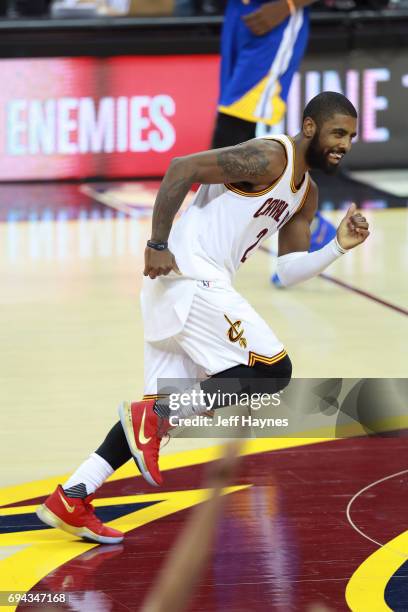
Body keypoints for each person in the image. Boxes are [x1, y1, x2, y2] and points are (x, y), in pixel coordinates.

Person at [36, 91, 370, 544]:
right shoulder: (270, 157)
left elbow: (288, 271)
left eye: (350, 136)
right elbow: (182, 168)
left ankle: (73, 495)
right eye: (337, 132)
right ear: (310, 127)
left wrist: (336, 248)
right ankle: (153, 415)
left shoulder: (305, 194)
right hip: (188, 275)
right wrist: (157, 243)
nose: (344, 144)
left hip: (187, 286)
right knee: (272, 370)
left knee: (153, 420)